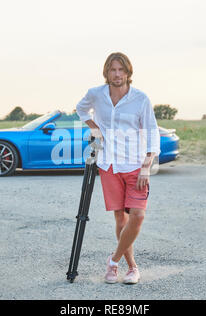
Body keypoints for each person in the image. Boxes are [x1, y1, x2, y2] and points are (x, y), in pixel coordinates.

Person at [76, 52, 160, 284]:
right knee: (121, 220)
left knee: (138, 215)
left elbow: (151, 131)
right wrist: (94, 127)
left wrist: (147, 165)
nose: (117, 74)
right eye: (113, 70)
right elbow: (80, 109)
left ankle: (113, 261)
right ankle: (131, 267)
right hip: (109, 164)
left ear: (128, 72)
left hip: (135, 164)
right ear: (107, 73)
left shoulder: (140, 99)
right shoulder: (96, 94)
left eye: (121, 70)